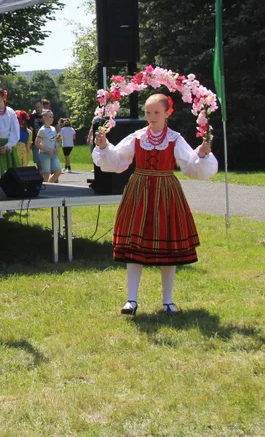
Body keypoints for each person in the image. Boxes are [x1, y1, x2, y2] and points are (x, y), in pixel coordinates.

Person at [93, 93, 217, 315]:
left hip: (165, 192)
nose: (151, 116)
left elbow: (190, 165)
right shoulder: (138, 137)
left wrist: (201, 153)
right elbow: (118, 160)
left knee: (167, 246)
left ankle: (167, 301)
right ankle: (131, 300)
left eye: (156, 112)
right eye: (148, 112)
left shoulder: (175, 139)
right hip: (138, 191)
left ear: (168, 113)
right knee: (134, 245)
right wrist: (104, 146)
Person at [34, 110, 62, 183]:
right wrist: (48, 151)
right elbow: (37, 143)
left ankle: (49, 184)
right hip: (44, 154)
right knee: (47, 173)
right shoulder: (42, 130)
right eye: (50, 117)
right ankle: (46, 188)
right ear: (44, 118)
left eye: (52, 116)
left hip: (53, 154)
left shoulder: (53, 128)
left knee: (58, 171)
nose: (52, 118)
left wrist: (56, 148)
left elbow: (54, 140)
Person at [29, 100, 46, 168]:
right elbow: (27, 126)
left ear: (42, 106)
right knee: (39, 163)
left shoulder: (47, 115)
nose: (38, 108)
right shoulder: (31, 117)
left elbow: (55, 125)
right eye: (36, 107)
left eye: (39, 107)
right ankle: (42, 177)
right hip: (35, 143)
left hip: (46, 142)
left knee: (46, 162)